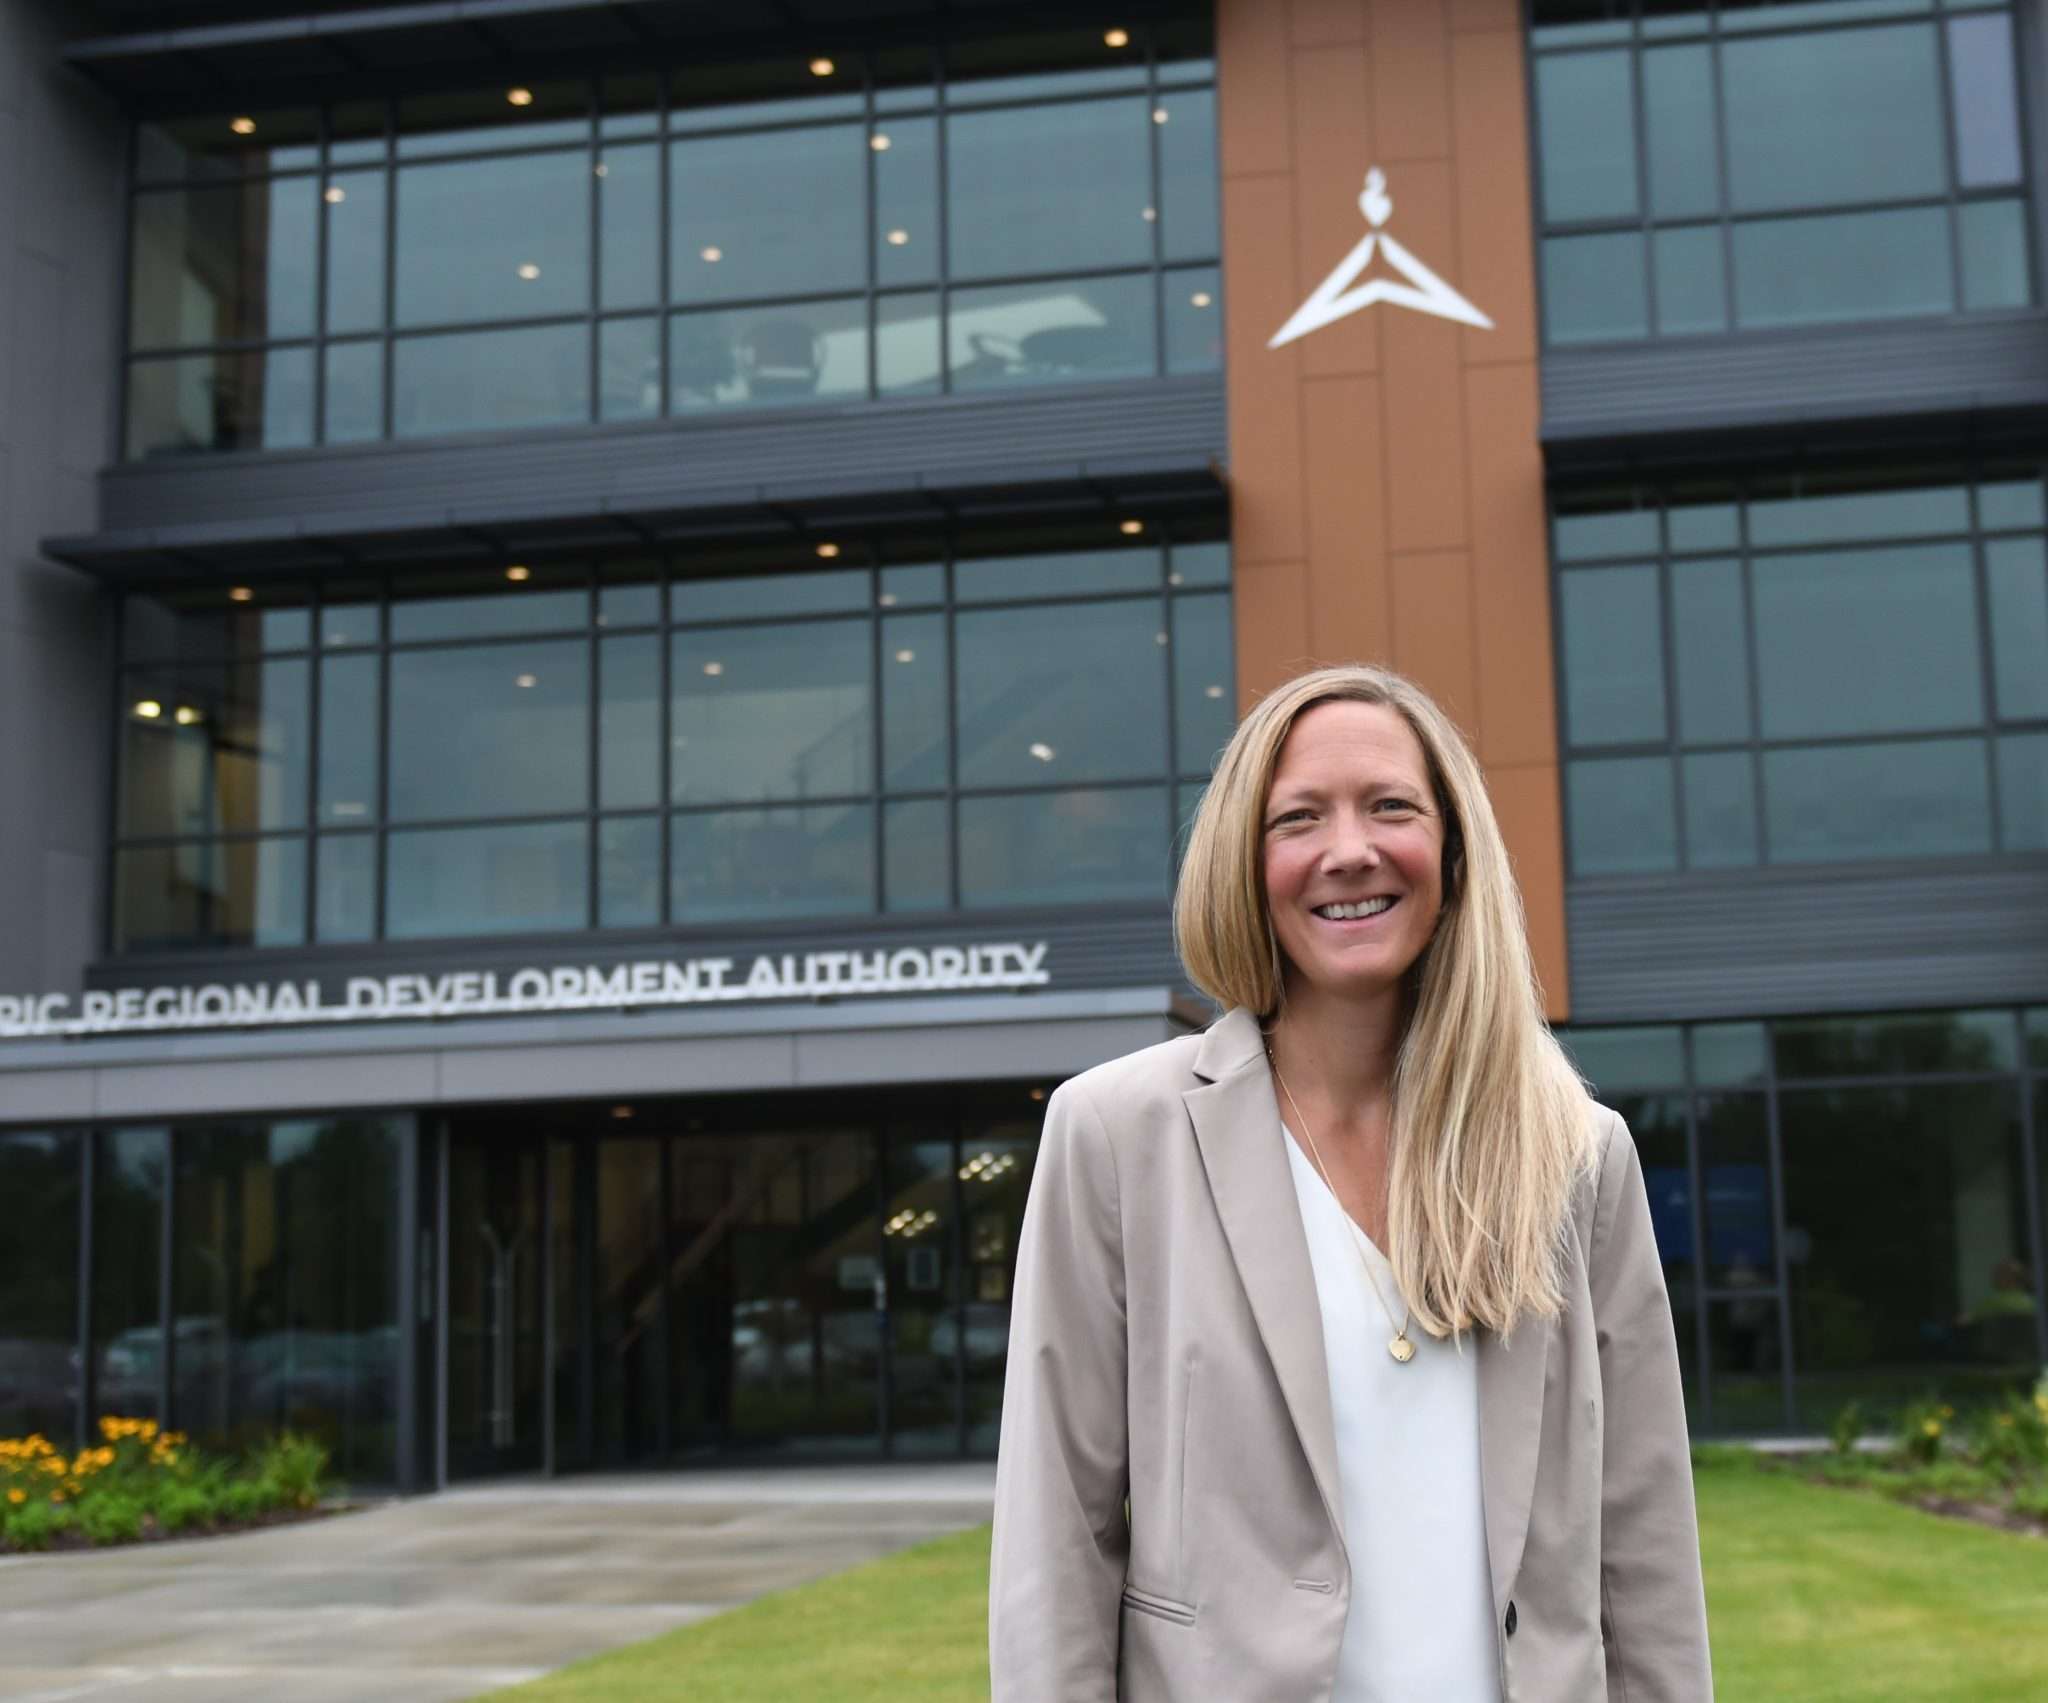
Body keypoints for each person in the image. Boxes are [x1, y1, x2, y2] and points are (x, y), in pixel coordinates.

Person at [988, 665, 1711, 1702]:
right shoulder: (1116, 1133)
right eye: (1298, 818)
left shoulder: (1572, 1149)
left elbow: (1644, 1535)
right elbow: (1054, 1536)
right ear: (1248, 863)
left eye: (1389, 806)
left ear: (1452, 852)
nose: (1348, 850)